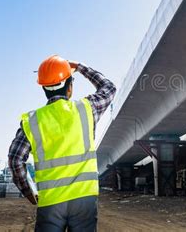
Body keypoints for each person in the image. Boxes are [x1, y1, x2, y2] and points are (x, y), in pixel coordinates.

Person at [8, 55, 116, 231]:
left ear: (43, 87)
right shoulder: (87, 109)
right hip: (84, 199)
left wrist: (29, 192)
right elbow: (109, 88)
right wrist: (81, 67)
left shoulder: (33, 121)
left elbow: (15, 159)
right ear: (70, 87)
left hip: (50, 202)